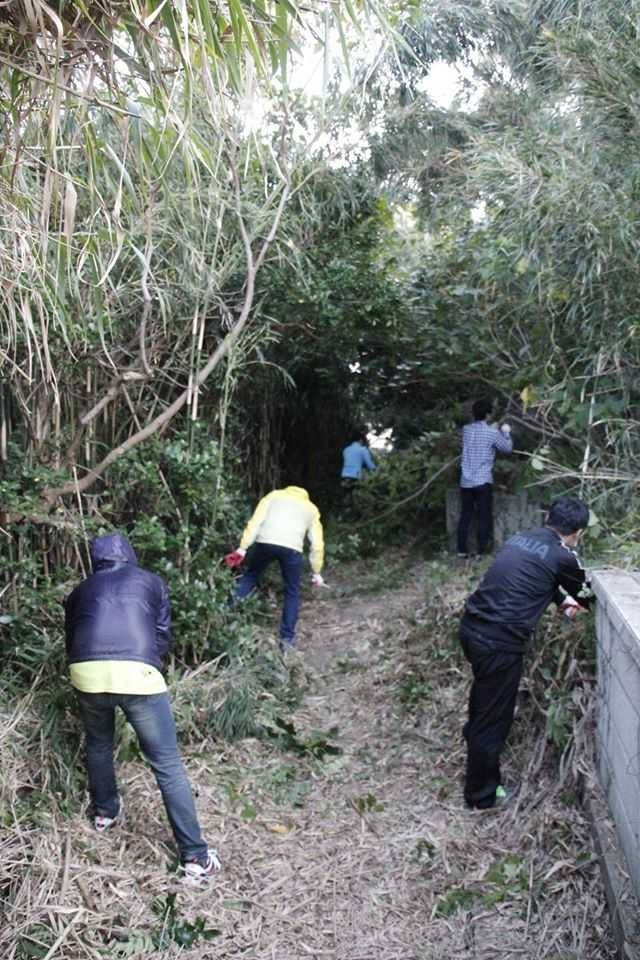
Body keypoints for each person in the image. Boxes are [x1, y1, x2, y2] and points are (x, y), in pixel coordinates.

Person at [65, 533, 220, 883]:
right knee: (166, 763)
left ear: (96, 559)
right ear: (129, 555)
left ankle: (105, 812)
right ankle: (195, 856)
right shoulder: (151, 581)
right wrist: (147, 665)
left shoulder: (79, 591)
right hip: (138, 674)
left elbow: (71, 640)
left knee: (99, 744)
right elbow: (161, 634)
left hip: (86, 673)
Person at [459, 495, 594, 810]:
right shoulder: (563, 556)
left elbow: (532, 575)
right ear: (578, 533)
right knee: (494, 719)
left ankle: (475, 745)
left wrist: (559, 599)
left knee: (484, 701)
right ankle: (481, 796)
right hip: (499, 643)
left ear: (548, 519)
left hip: (472, 629)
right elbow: (587, 596)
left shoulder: (521, 538)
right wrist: (575, 600)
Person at [228, 485, 325, 650]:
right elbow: (317, 544)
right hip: (292, 549)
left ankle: (226, 614)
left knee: (250, 576)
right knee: (292, 592)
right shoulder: (311, 508)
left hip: (265, 543)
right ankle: (287, 640)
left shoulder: (273, 496)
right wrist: (316, 571)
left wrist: (242, 548)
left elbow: (255, 522)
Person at [457, 398, 513, 557]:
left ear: (473, 414)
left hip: (466, 481)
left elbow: (472, 438)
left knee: (465, 515)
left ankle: (461, 550)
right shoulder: (492, 432)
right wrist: (506, 433)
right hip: (483, 481)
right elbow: (507, 449)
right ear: (488, 414)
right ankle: (481, 551)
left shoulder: (466, 430)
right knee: (483, 516)